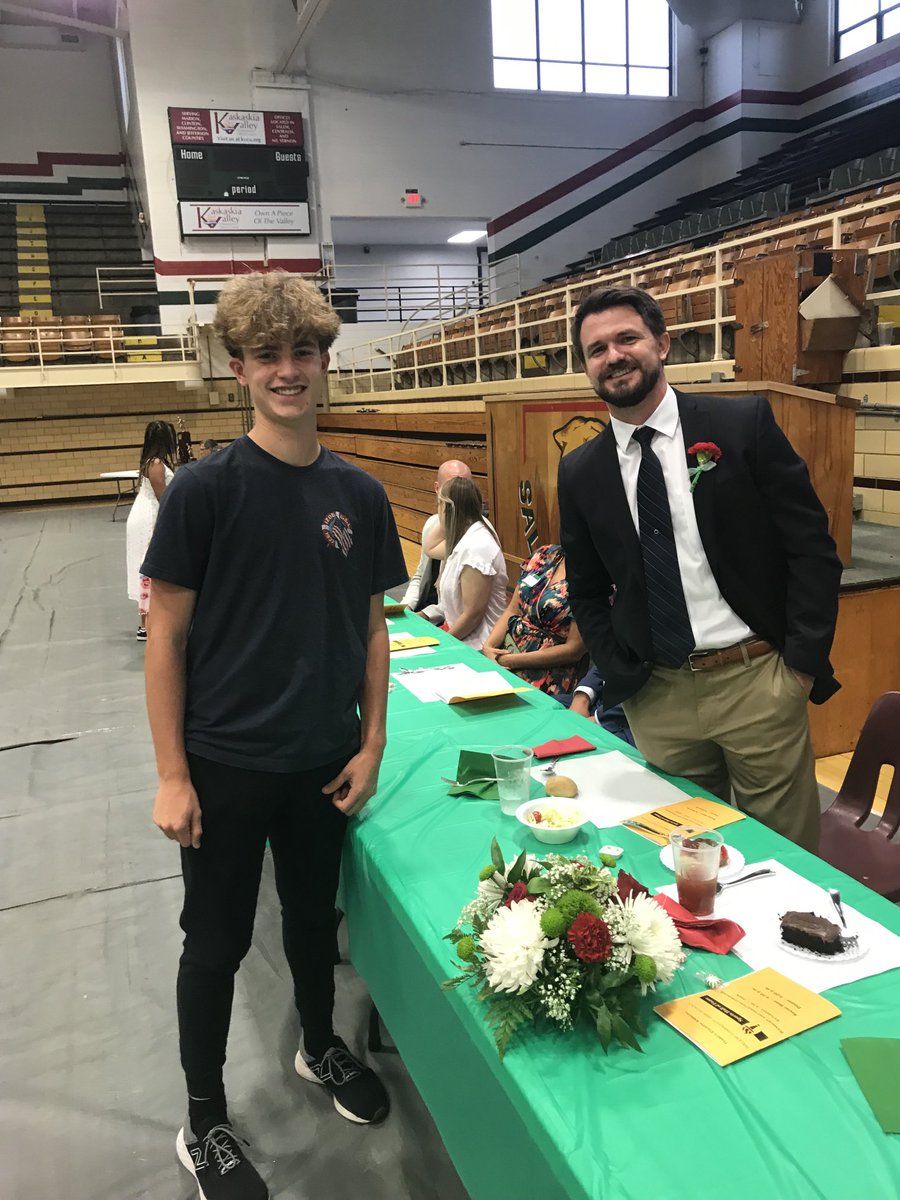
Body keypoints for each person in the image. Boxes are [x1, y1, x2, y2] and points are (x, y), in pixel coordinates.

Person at [141, 271, 407, 1200]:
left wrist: (371, 744)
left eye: (302, 353)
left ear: (326, 360)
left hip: (323, 760)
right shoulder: (204, 491)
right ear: (239, 368)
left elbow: (372, 627)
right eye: (267, 356)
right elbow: (166, 636)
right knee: (214, 943)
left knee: (310, 918)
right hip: (225, 763)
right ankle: (204, 1119)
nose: (287, 371)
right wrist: (173, 774)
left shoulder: (358, 493)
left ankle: (319, 1046)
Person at [557, 286, 842, 851]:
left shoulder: (741, 425)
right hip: (657, 697)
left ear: (662, 343)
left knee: (786, 860)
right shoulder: (580, 470)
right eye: (596, 349)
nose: (613, 356)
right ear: (586, 367)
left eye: (627, 338)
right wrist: (623, 679)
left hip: (757, 682)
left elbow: (811, 548)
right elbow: (586, 591)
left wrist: (800, 668)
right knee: (684, 861)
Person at [482, 543, 587, 695]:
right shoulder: (545, 554)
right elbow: (513, 609)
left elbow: (574, 650)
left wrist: (510, 661)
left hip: (547, 673)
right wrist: (489, 647)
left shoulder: (595, 577)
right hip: (507, 651)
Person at [436, 476, 508, 649]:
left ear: (448, 508)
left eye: (439, 505)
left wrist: (442, 644)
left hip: (479, 645)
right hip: (464, 638)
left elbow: (473, 616)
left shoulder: (477, 546)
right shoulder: (466, 540)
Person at [401, 458, 471, 620]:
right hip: (425, 609)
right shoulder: (432, 523)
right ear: (437, 489)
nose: (458, 494)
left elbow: (460, 601)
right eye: (451, 487)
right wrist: (405, 607)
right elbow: (420, 576)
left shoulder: (473, 535)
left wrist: (423, 616)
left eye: (464, 487)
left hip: (448, 618)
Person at [125, 420, 176, 641]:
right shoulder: (156, 464)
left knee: (146, 567)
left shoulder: (152, 461)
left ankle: (146, 622)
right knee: (149, 567)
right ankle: (145, 624)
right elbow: (163, 497)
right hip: (149, 518)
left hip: (145, 514)